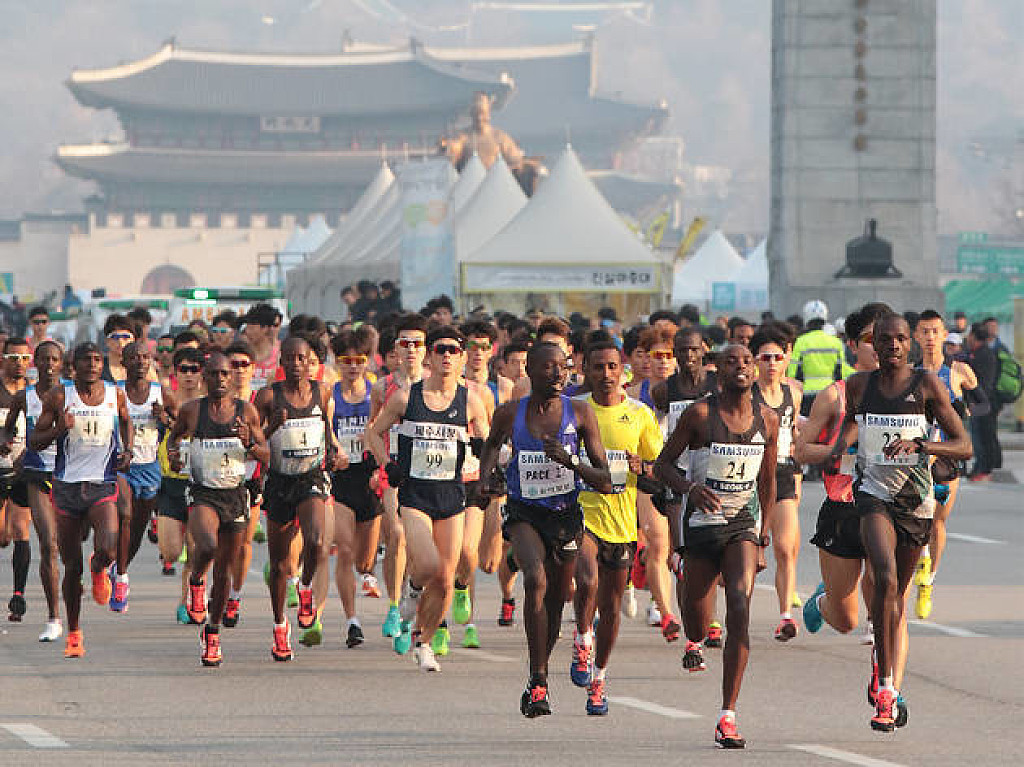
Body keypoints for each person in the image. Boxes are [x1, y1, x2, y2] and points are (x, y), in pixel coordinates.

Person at [831, 312, 971, 732]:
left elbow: (963, 444)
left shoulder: (926, 385)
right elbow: (852, 426)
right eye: (884, 339)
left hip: (916, 502)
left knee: (897, 596)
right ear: (872, 344)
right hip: (873, 496)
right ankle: (887, 690)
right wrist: (837, 449)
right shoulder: (859, 386)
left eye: (900, 339)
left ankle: (882, 667)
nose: (892, 345)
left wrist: (922, 445)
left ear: (909, 343)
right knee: (885, 578)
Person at [655, 343, 778, 749]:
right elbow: (662, 465)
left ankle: (728, 713)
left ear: (754, 370)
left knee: (740, 604)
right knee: (696, 620)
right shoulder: (699, 415)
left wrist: (762, 537)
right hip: (701, 526)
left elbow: (768, 483)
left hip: (742, 526)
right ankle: (690, 621)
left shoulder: (768, 419)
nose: (741, 367)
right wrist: (690, 488)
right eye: (731, 362)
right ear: (718, 372)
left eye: (747, 361)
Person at [479, 341, 611, 715]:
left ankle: (539, 671)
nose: (558, 374)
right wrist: (486, 479)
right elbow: (491, 445)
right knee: (534, 579)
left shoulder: (580, 413)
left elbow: (605, 479)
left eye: (564, 367)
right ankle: (538, 681)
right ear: (531, 371)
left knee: (555, 602)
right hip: (524, 513)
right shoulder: (509, 413)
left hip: (565, 517)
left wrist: (570, 462)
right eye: (549, 367)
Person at [365, 326, 490, 672]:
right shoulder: (407, 398)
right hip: (415, 496)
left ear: (462, 358)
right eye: (440, 349)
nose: (447, 355)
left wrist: (488, 463)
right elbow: (373, 433)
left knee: (447, 579)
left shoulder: (471, 401)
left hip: (451, 497)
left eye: (454, 350)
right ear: (429, 357)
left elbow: (489, 443)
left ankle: (424, 643)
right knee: (430, 566)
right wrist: (387, 465)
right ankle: (412, 590)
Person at [571, 337, 662, 715]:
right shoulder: (574, 409)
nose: (606, 374)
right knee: (586, 579)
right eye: (598, 367)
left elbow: (659, 467)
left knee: (610, 608)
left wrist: (643, 467)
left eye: (613, 367)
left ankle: (599, 679)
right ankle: (582, 638)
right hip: (581, 514)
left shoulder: (640, 414)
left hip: (622, 522)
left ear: (622, 371)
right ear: (586, 371)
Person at [30, 342, 132, 658]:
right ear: (73, 366)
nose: (92, 364)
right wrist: (60, 429)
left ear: (103, 364)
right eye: (86, 360)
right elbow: (35, 441)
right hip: (67, 487)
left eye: (97, 359)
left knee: (109, 548)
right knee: (71, 565)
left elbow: (126, 421)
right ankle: (74, 632)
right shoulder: (60, 396)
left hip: (102, 483)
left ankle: (100, 568)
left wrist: (127, 451)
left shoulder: (115, 394)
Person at [168, 351, 269, 666]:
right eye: (214, 374)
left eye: (225, 374)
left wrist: (249, 443)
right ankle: (197, 580)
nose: (221, 379)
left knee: (225, 572)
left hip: (235, 494)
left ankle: (212, 632)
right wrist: (173, 454)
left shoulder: (245, 411)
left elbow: (267, 454)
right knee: (208, 546)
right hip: (203, 493)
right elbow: (174, 438)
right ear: (205, 378)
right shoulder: (192, 410)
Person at [254, 336, 338, 661]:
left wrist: (333, 452)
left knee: (316, 541)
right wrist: (272, 427)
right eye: (289, 358)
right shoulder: (267, 396)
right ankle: (279, 626)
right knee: (278, 564)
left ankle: (305, 588)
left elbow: (326, 429)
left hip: (310, 477)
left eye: (301, 358)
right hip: (279, 481)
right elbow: (253, 441)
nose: (295, 364)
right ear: (281, 363)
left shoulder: (322, 391)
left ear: (310, 362)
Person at [650, 327, 720, 643]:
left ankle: (710, 618)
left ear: (703, 350)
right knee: (683, 556)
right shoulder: (663, 391)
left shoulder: (717, 384)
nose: (688, 356)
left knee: (712, 554)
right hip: (677, 477)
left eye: (693, 349)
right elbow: (656, 430)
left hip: (713, 477)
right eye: (682, 350)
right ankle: (693, 635)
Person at [912, 310, 978, 619]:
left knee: (937, 521)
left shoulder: (959, 371)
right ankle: (921, 558)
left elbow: (983, 404)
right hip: (916, 454)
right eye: (924, 331)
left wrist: (962, 411)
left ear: (943, 335)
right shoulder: (909, 373)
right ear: (916, 336)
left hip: (948, 454)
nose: (929, 337)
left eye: (934, 331)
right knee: (918, 519)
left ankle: (929, 580)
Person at [366, 313, 427, 650]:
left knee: (421, 545)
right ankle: (393, 605)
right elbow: (372, 430)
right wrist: (381, 464)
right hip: (395, 471)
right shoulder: (382, 387)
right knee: (398, 535)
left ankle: (410, 602)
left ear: (426, 349)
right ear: (396, 349)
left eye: (417, 343)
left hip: (428, 473)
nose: (411, 349)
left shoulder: (437, 384)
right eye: (405, 343)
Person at [1, 340, 63, 640]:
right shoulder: (21, 397)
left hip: (48, 474)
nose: (48, 365)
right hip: (17, 471)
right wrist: (5, 439)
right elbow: (8, 427)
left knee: (29, 533)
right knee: (13, 536)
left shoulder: (68, 394)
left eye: (54, 359)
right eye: (44, 359)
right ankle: (49, 614)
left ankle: (20, 594)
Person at [324, 329, 382, 649]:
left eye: (358, 360)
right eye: (346, 361)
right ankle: (352, 621)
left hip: (371, 478)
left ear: (367, 361)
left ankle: (368, 573)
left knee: (364, 560)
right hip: (341, 478)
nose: (352, 367)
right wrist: (334, 450)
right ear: (337, 363)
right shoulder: (329, 396)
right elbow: (322, 431)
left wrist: (372, 441)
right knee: (344, 549)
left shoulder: (378, 393)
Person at [110, 342, 177, 612]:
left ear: (151, 361)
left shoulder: (161, 393)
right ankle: (122, 579)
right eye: (134, 357)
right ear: (124, 363)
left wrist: (165, 419)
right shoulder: (114, 393)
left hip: (149, 467)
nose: (140, 361)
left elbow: (182, 427)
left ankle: (119, 567)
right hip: (120, 468)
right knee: (124, 515)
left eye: (144, 357)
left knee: (136, 531)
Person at [625, 326, 680, 638]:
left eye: (669, 355)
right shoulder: (633, 396)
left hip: (681, 475)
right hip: (648, 476)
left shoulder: (688, 392)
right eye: (656, 355)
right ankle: (665, 612)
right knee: (659, 543)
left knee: (673, 548)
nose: (662, 361)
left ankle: (640, 561)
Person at [450, 319, 501, 650]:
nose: (478, 353)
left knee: (475, 555)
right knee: (445, 555)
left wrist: (493, 474)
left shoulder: (489, 391)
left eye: (484, 347)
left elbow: (492, 438)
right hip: (440, 479)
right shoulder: (434, 388)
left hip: (476, 479)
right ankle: (443, 625)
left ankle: (463, 597)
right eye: (472, 346)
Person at [750, 324, 804, 640]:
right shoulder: (747, 393)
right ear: (755, 361)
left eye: (777, 357)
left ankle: (785, 616)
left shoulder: (793, 393)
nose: (772, 364)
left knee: (784, 547)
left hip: (783, 473)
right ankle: (736, 610)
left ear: (786, 360)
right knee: (746, 552)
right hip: (751, 475)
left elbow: (794, 431)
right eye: (765, 357)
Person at [156, 347, 205, 622]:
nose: (189, 375)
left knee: (197, 550)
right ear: (175, 372)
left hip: (199, 484)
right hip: (171, 483)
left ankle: (188, 600)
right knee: (171, 551)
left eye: (194, 369)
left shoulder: (208, 404)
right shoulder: (166, 400)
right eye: (183, 369)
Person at [223, 340, 263, 629]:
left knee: (244, 543)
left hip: (251, 479)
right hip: (219, 478)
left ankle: (234, 596)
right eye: (233, 365)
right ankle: (217, 589)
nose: (238, 371)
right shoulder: (216, 401)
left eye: (243, 365)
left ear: (252, 369)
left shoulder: (261, 400)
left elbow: (267, 440)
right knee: (218, 544)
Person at [0, 337, 32, 623]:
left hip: (23, 471)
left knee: (21, 530)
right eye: (13, 358)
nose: (19, 363)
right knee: (3, 535)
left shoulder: (34, 393)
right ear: (3, 359)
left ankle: (18, 595)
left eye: (24, 358)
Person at [788, 300, 847, 416]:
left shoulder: (801, 341)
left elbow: (792, 372)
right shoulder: (836, 342)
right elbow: (841, 372)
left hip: (806, 395)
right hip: (830, 393)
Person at [966, 324, 998, 480]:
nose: (967, 338)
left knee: (980, 438)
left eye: (969, 334)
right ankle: (980, 468)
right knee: (980, 437)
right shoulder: (982, 353)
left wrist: (975, 401)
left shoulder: (982, 355)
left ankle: (982, 469)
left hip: (980, 403)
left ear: (974, 336)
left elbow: (980, 382)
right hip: (981, 401)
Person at [241, 304, 282, 391]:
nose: (247, 332)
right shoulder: (241, 353)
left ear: (265, 328)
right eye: (247, 327)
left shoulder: (281, 353)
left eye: (251, 328)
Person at [102, 315, 136, 384]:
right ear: (107, 341)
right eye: (115, 337)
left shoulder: (143, 366)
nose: (120, 342)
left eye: (125, 337)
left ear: (133, 340)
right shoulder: (97, 366)